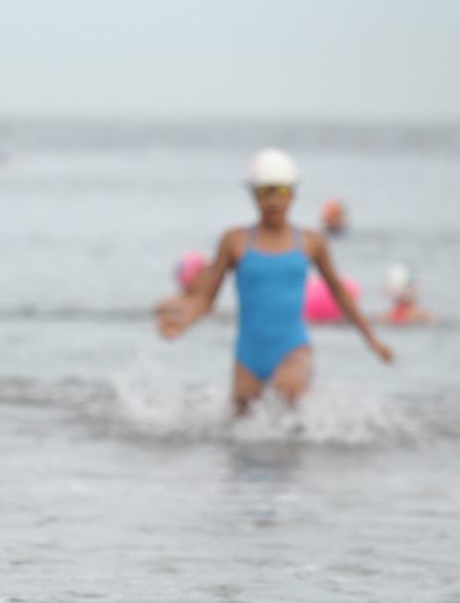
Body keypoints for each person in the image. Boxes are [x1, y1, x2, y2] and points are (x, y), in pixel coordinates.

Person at [156, 149, 392, 412]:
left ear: (293, 193)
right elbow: (205, 298)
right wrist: (181, 323)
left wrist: (372, 340)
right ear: (252, 193)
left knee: (288, 398)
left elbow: (339, 293)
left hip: (293, 348)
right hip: (247, 356)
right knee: (241, 429)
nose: (272, 201)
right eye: (264, 192)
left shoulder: (311, 241)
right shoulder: (234, 241)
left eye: (280, 191)